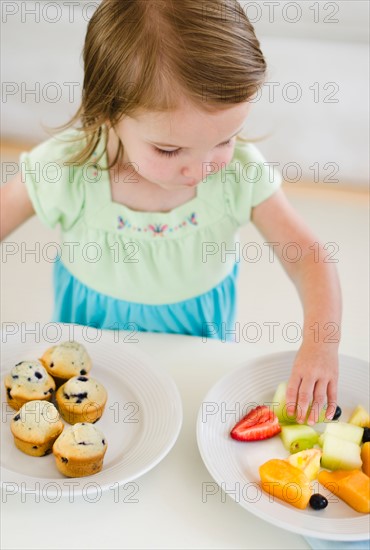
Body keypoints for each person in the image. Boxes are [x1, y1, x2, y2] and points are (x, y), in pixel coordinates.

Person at [0, 0, 341, 424]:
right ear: (108, 111)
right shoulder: (68, 170)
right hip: (91, 351)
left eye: (225, 139)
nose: (201, 169)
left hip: (195, 348)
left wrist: (320, 346)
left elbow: (308, 256)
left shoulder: (239, 173)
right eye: (168, 149)